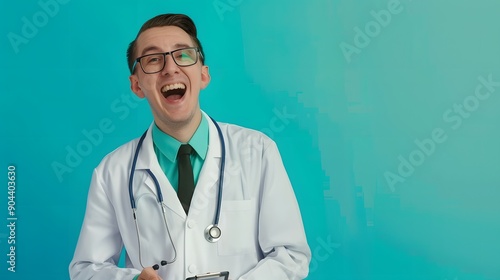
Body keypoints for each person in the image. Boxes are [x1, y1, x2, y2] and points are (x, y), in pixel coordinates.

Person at [69, 13, 311, 280]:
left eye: (183, 55)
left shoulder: (258, 151)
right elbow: (86, 269)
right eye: (153, 60)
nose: (170, 68)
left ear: (203, 75)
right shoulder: (112, 172)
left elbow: (291, 255)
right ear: (137, 85)